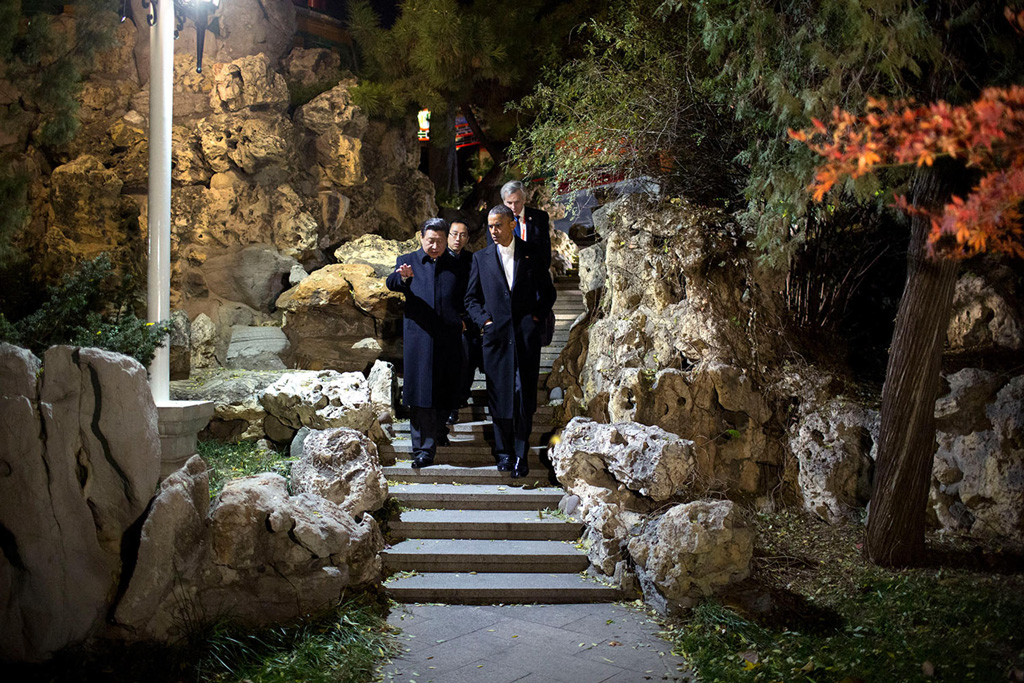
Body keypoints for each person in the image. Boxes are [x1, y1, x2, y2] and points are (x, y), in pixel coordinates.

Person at [465, 205, 557, 478]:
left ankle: (520, 454)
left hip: (525, 340)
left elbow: (548, 293)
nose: (493, 231)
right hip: (495, 339)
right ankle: (503, 453)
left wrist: (535, 319)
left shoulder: (532, 253)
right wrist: (485, 322)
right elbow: (470, 299)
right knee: (499, 395)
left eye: (498, 225)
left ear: (512, 225)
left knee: (523, 395)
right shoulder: (480, 259)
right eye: (490, 226)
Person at [386, 217, 466, 468]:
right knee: (419, 395)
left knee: (444, 392)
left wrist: (465, 322)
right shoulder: (407, 261)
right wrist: (404, 278)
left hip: (448, 338)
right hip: (419, 339)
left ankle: (438, 431)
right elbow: (391, 282)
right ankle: (422, 449)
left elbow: (468, 295)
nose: (435, 246)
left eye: (440, 241)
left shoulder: (455, 265)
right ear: (421, 238)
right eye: (430, 241)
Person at [447, 220, 480, 426]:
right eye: (454, 234)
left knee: (467, 360)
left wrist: (468, 320)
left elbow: (478, 292)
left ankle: (459, 399)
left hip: (467, 319)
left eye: (462, 235)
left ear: (467, 238)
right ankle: (449, 405)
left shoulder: (473, 260)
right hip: (444, 320)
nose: (458, 239)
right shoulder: (438, 258)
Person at [487, 180, 552, 271]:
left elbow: (545, 250)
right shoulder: (495, 220)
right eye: (509, 203)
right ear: (503, 201)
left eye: (517, 202)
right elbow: (491, 251)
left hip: (532, 273)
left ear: (524, 199)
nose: (513, 207)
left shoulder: (539, 218)